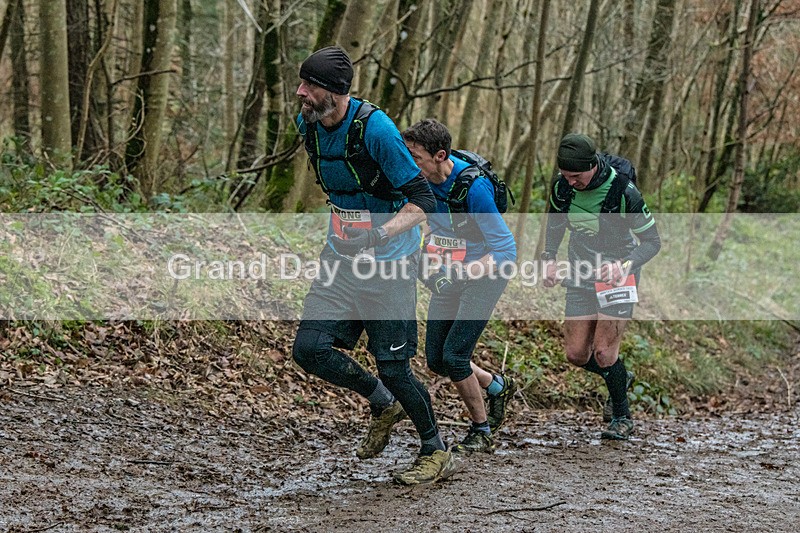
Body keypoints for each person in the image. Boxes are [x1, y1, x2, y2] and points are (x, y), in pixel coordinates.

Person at [290, 47, 457, 485]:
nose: (300, 92)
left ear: (336, 92)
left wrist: (378, 234)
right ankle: (382, 402)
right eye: (302, 83)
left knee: (395, 366)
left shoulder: (375, 129)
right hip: (341, 258)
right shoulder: (307, 123)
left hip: (390, 261)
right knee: (309, 349)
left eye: (309, 86)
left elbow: (423, 201)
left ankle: (435, 450)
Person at [402, 119, 517, 454]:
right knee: (436, 360)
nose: (411, 165)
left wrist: (465, 273)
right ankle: (495, 386)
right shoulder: (418, 183)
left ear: (440, 155)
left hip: (487, 273)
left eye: (416, 158)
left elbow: (506, 251)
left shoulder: (473, 188)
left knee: (455, 357)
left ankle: (481, 431)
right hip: (450, 269)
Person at [542, 133, 661, 440]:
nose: (570, 183)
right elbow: (555, 223)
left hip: (618, 276)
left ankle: (622, 417)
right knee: (576, 354)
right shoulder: (561, 187)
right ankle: (619, 377)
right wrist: (549, 257)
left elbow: (652, 242)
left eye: (576, 176)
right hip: (581, 274)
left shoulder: (624, 191)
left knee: (605, 353)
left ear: (592, 166)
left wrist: (624, 264)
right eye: (565, 176)